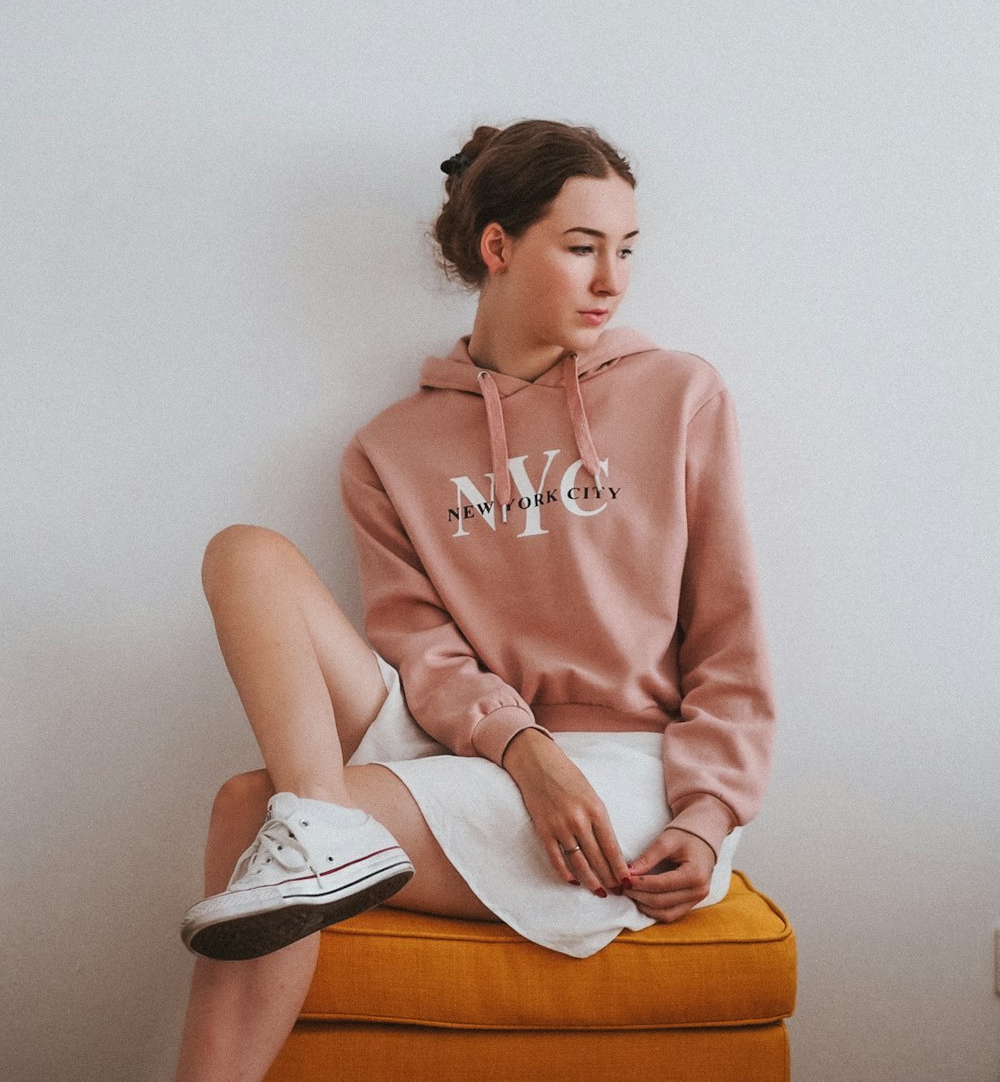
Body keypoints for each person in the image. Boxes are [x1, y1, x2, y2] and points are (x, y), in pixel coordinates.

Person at [174, 119, 775, 1081]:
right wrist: (518, 744)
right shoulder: (391, 446)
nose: (612, 280)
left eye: (624, 250)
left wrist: (707, 815)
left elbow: (729, 637)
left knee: (253, 808)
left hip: (622, 768)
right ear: (498, 246)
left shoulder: (679, 395)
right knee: (242, 554)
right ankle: (322, 829)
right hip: (471, 737)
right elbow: (418, 644)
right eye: (581, 248)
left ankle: (310, 829)